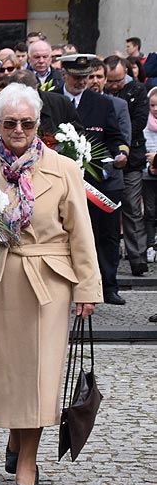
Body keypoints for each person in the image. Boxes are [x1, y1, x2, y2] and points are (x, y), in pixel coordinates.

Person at [0, 83, 102, 485]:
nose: (19, 129)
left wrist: (87, 287)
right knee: (7, 371)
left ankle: (27, 459)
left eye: (27, 122)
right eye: (10, 123)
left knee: (39, 375)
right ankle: (14, 439)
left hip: (49, 282)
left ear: (38, 124)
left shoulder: (63, 168)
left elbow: (81, 232)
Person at [57, 54, 129, 304]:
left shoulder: (101, 103)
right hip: (59, 181)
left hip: (96, 182)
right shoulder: (51, 100)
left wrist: (120, 152)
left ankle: (108, 285)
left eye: (85, 77)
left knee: (103, 235)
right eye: (76, 77)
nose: (81, 82)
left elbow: (114, 137)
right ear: (63, 74)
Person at [104, 55, 150, 276]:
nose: (113, 86)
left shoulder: (137, 90)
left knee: (132, 209)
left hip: (131, 159)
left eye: (118, 81)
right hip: (105, 160)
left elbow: (139, 121)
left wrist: (120, 140)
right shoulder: (98, 94)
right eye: (110, 81)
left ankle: (138, 257)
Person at [143, 87, 157, 267]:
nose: (155, 109)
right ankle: (150, 245)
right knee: (150, 211)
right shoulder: (145, 126)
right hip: (148, 174)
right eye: (152, 105)